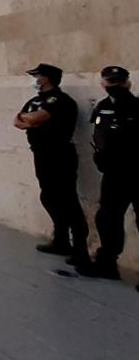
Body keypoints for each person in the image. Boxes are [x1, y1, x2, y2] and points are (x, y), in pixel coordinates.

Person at [13, 63, 90, 267]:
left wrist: (31, 120)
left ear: (45, 78)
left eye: (36, 75)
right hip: (41, 154)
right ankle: (61, 239)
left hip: (60, 155)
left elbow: (39, 117)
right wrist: (29, 121)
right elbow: (17, 120)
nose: (33, 79)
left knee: (68, 200)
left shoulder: (60, 100)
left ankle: (80, 249)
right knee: (48, 196)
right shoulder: (35, 100)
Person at [76, 66, 139, 281]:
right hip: (114, 174)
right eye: (111, 82)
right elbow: (98, 137)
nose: (115, 86)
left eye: (119, 82)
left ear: (127, 83)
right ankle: (107, 264)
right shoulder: (102, 107)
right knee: (107, 218)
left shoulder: (136, 106)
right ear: (103, 84)